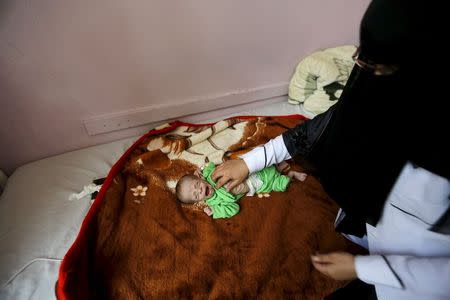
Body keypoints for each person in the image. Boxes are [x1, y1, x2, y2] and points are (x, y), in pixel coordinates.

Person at [210, 0, 449, 299]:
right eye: (362, 53)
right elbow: (324, 127)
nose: (356, 61)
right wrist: (251, 161)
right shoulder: (377, 100)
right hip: (380, 265)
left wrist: (365, 269)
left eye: (377, 64)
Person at [176, 161, 307, 219]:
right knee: (279, 184)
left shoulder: (210, 176)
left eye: (197, 184)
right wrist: (215, 211)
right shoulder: (215, 204)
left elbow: (210, 165)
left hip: (247, 171)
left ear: (199, 178)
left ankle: (277, 166)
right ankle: (290, 175)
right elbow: (234, 209)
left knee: (261, 163)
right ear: (198, 202)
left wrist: (202, 169)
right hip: (255, 185)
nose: (199, 190)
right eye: (196, 195)